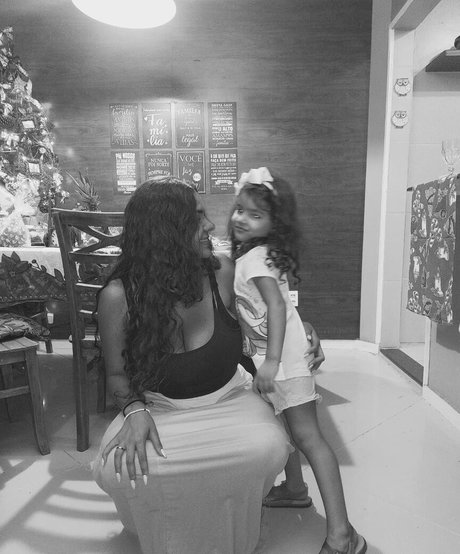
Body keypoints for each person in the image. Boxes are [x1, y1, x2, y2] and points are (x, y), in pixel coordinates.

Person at [92, 177, 295, 554]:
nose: (211, 226)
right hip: (158, 408)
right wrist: (135, 410)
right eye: (197, 217)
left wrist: (307, 332)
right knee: (115, 466)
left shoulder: (223, 272)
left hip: (229, 400)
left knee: (267, 446)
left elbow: (271, 311)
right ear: (165, 229)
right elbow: (117, 375)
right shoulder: (119, 296)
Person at [229, 167, 367, 554]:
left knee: (309, 438)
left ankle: (343, 535)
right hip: (277, 358)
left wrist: (271, 361)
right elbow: (281, 308)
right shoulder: (261, 254)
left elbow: (276, 306)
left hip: (284, 362)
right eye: (239, 209)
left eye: (255, 214)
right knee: (285, 425)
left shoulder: (255, 259)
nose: (242, 218)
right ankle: (294, 488)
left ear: (274, 223)